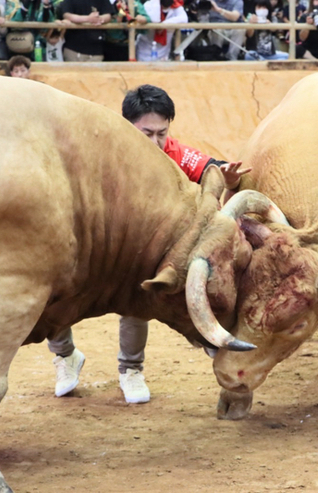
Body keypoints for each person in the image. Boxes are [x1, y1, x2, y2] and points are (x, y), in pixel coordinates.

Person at [48, 85, 251, 404]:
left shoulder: (175, 152)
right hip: (95, 248)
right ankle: (65, 356)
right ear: (126, 124)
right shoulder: (100, 150)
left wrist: (230, 179)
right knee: (54, 297)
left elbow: (215, 168)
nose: (156, 142)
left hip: (135, 252)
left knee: (139, 298)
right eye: (146, 133)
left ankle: (131, 370)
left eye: (162, 133)